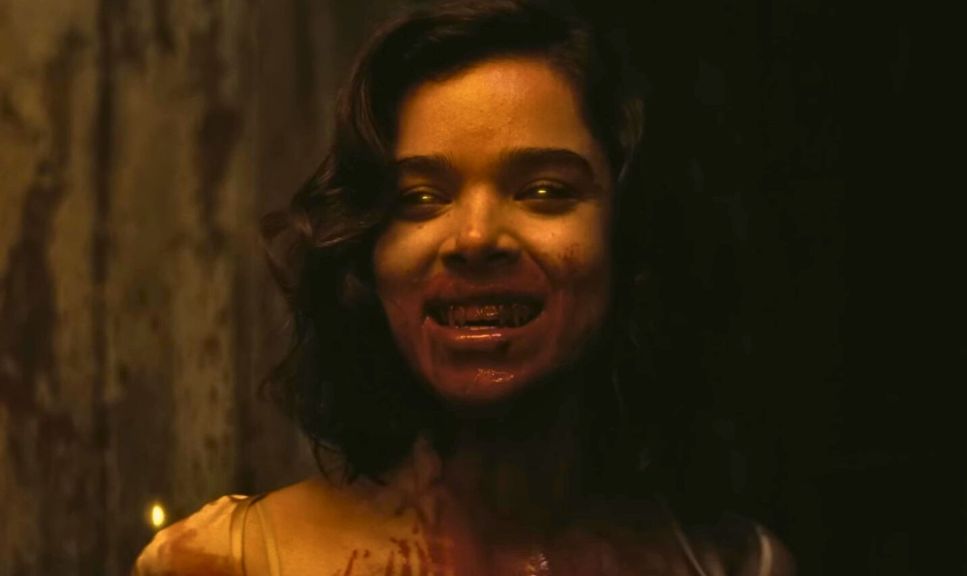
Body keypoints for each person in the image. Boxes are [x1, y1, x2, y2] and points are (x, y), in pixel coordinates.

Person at [134, 1, 794, 574]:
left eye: (544, 191)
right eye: (420, 198)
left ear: (627, 236)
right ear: (366, 253)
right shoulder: (227, 563)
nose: (475, 238)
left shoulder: (730, 565)